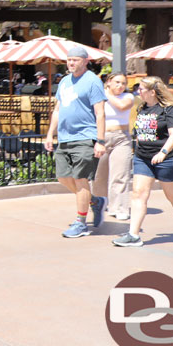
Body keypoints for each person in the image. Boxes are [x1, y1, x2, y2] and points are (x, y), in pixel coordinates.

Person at [113, 77, 173, 247]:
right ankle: (133, 235)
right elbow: (140, 132)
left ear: (152, 92)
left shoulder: (169, 110)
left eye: (142, 88)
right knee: (138, 194)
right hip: (143, 158)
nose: (138, 91)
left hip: (167, 159)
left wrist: (163, 152)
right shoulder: (142, 108)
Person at [44, 46, 107, 239]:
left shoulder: (93, 82)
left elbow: (100, 112)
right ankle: (94, 202)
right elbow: (57, 110)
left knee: (81, 181)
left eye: (75, 60)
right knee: (63, 177)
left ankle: (81, 223)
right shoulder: (64, 81)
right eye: (69, 59)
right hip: (64, 137)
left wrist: (100, 140)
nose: (71, 63)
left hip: (84, 137)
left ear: (85, 61)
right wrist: (49, 134)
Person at [91, 73, 134, 222]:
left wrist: (105, 92)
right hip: (102, 138)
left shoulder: (128, 97)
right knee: (98, 176)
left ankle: (120, 208)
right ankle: (101, 203)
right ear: (109, 82)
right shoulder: (99, 97)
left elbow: (121, 107)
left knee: (120, 175)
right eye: (117, 82)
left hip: (121, 138)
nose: (120, 86)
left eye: (123, 83)